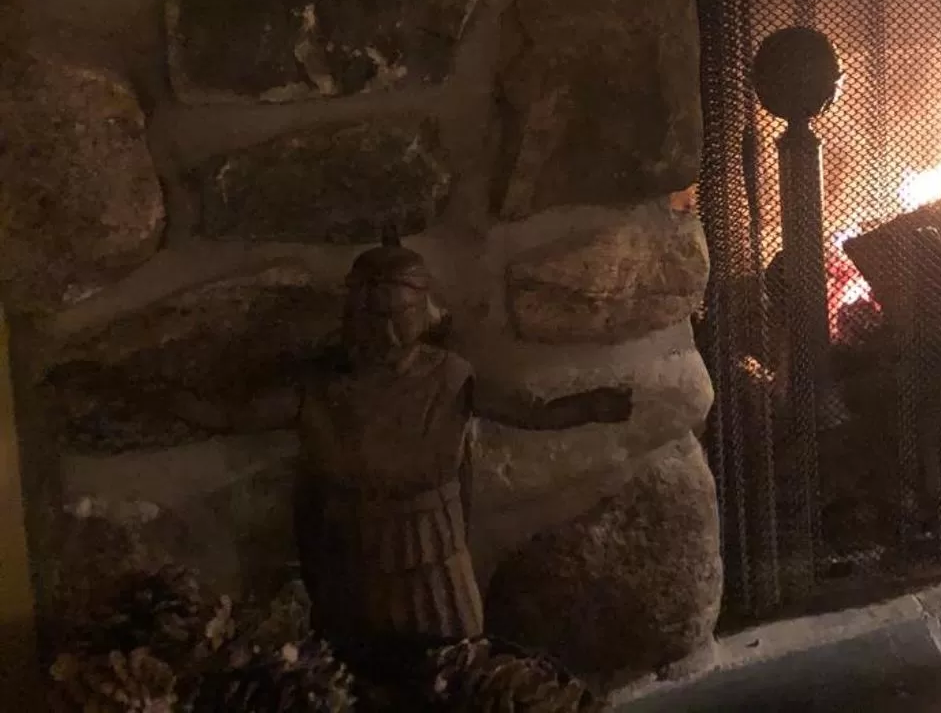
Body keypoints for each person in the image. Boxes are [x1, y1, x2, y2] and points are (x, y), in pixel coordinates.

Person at [178, 230, 631, 649]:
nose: (386, 333)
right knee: (356, 655)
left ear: (423, 312)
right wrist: (177, 404)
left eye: (399, 316)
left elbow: (530, 413)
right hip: (350, 548)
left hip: (434, 547)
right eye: (371, 318)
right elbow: (236, 415)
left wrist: (589, 408)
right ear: (352, 318)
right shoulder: (321, 389)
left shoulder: (451, 378)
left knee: (451, 652)